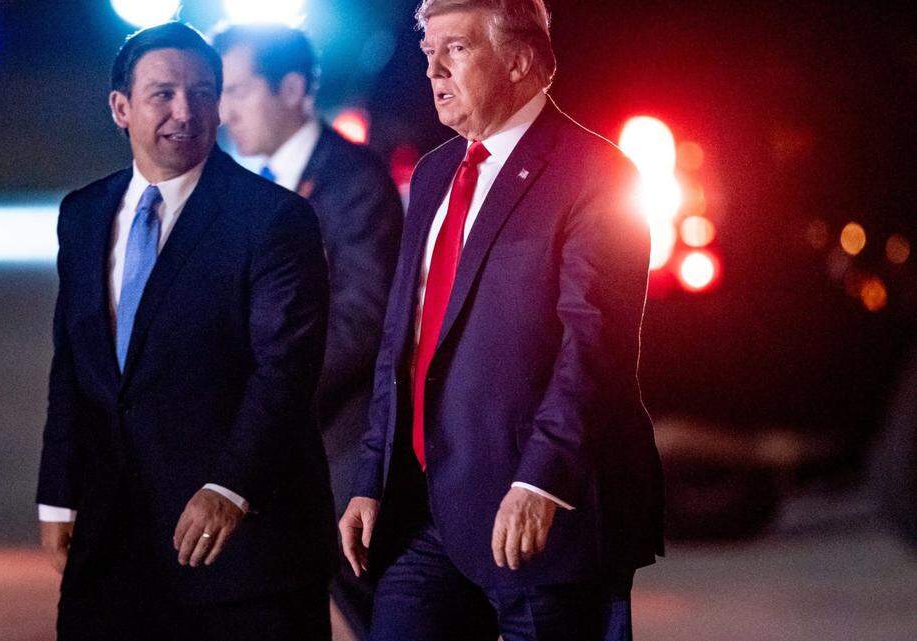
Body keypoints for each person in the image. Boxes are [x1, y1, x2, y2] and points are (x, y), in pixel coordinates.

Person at [338, 1, 665, 640]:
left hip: (540, 516)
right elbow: (401, 338)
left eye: (455, 50)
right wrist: (372, 476)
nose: (432, 69)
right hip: (429, 513)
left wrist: (543, 479)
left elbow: (592, 346)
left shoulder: (597, 175)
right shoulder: (434, 174)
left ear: (519, 62)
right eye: (428, 51)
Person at [34, 22, 336, 641]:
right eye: (163, 93)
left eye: (203, 92)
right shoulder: (84, 215)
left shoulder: (273, 218)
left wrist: (231, 484)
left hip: (241, 557)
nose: (186, 111)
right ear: (120, 108)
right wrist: (58, 495)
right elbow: (73, 363)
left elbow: (284, 369)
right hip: (114, 542)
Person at [214, 23, 404, 638]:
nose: (223, 110)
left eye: (238, 90)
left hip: (340, 444)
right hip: (270, 446)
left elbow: (363, 317)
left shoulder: (354, 180)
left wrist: (271, 403)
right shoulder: (238, 190)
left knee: (377, 606)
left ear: (293, 88)